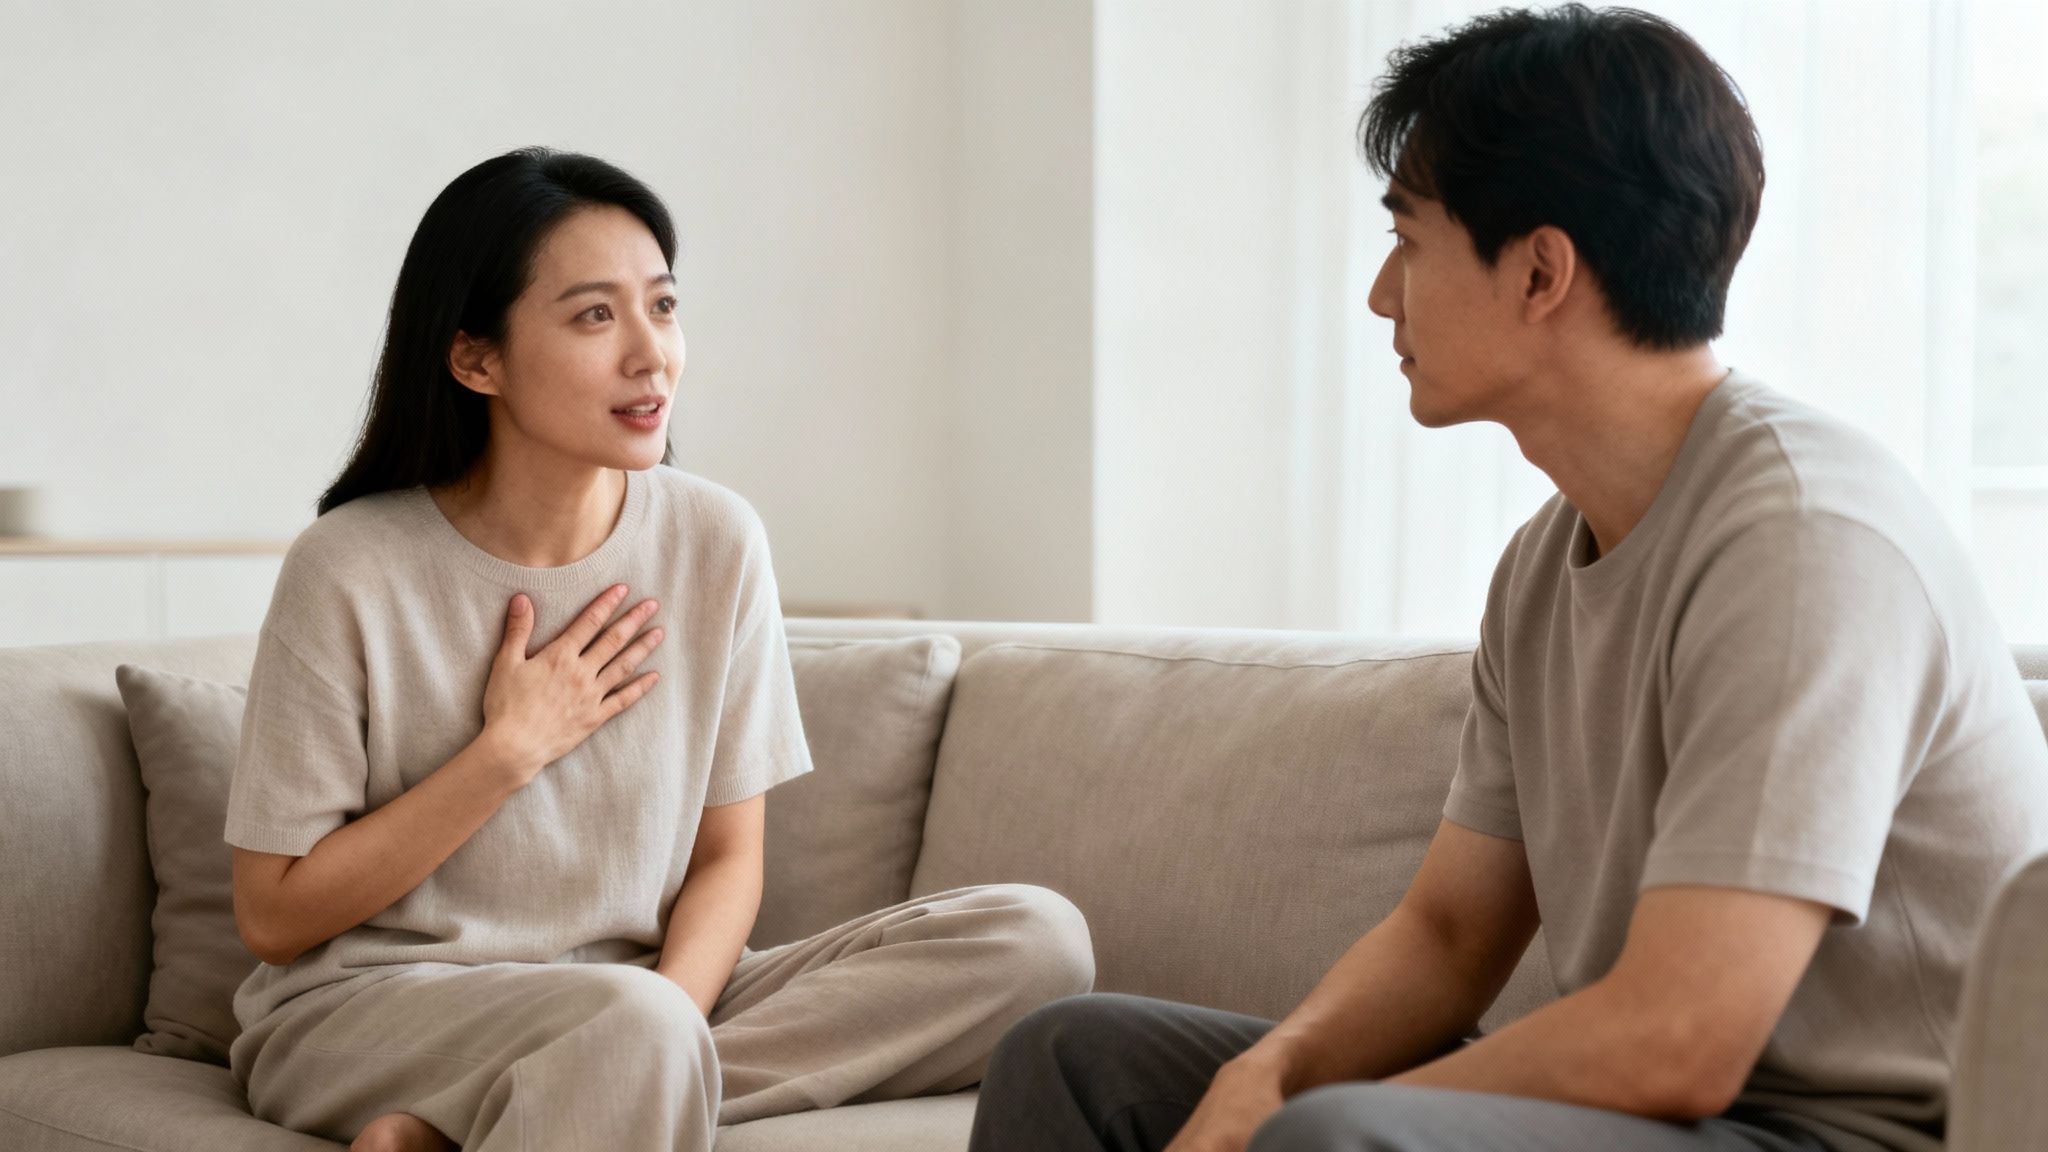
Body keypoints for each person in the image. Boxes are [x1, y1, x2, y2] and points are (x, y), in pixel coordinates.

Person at [966, 7, 2048, 1152]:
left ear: (1538, 270)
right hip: (1678, 1116)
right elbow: (1445, 935)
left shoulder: (1808, 539)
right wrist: (1266, 1073)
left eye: (1409, 241)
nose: (1382, 294)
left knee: (1337, 1139)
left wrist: (1313, 1114)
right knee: (1078, 1058)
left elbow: (1680, 1036)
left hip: (1861, 1133)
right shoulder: (1543, 564)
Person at [224, 146, 1094, 1152]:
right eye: (595, 316)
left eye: (663, 307)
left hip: (640, 991)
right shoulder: (349, 566)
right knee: (624, 1024)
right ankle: (574, 1076)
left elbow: (730, 859)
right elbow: (275, 918)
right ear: (475, 358)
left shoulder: (715, 540)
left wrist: (672, 1015)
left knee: (1034, 943)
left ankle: (512, 1109)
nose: (651, 355)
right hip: (375, 1011)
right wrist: (505, 753)